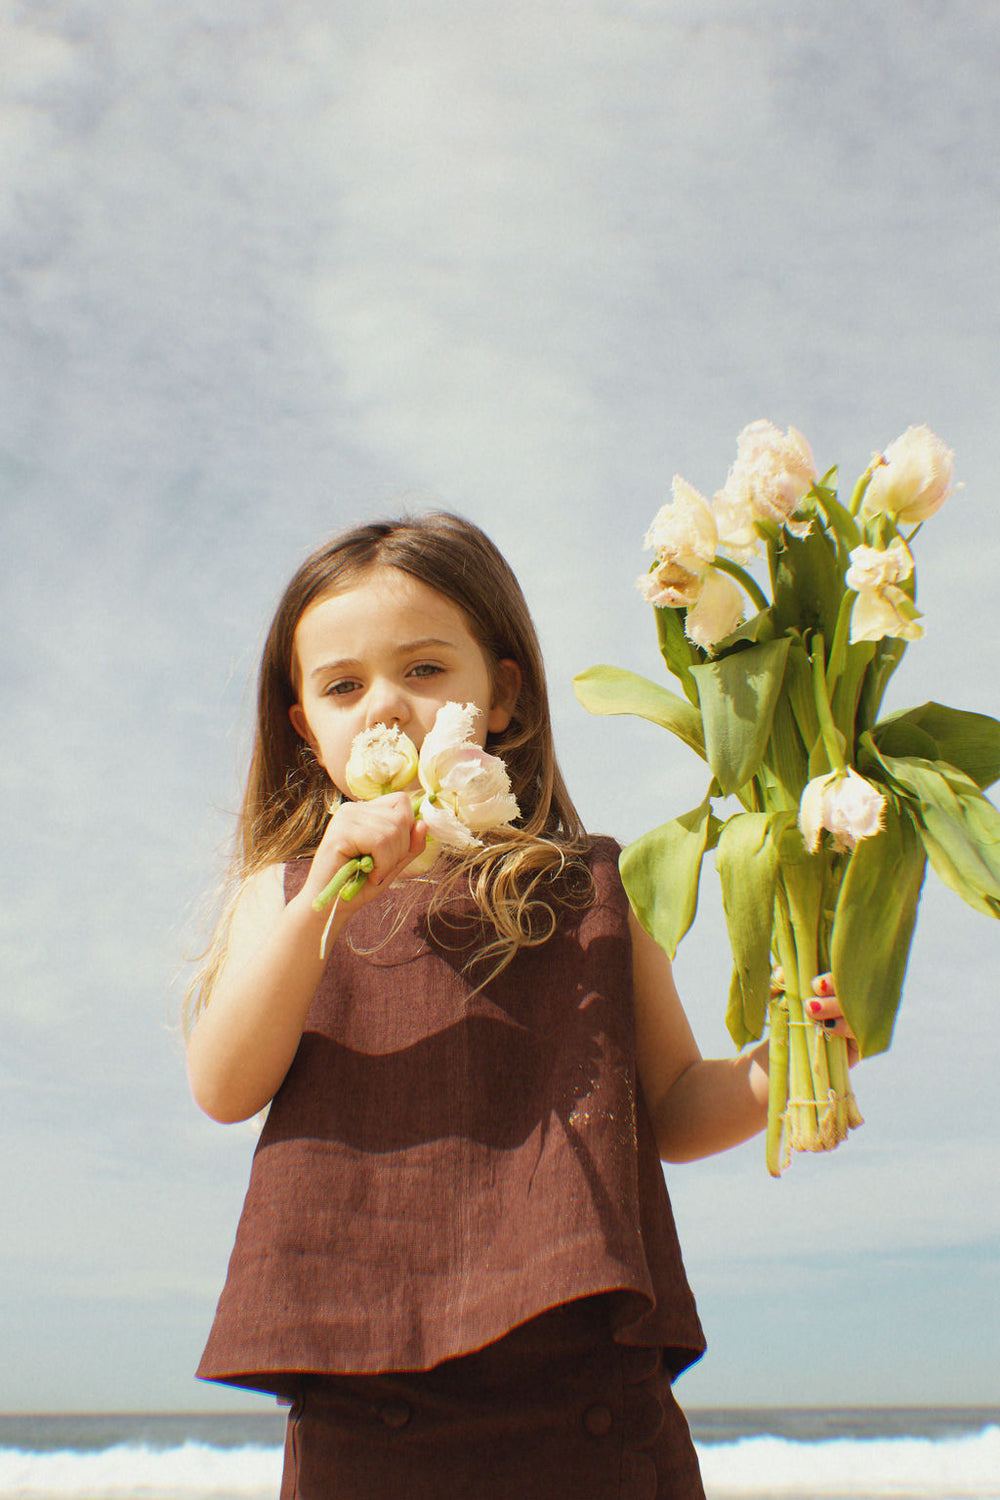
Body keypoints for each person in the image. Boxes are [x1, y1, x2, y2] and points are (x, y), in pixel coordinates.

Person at [185, 512, 852, 1500]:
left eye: (423, 671)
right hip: (365, 1406)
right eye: (341, 686)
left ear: (500, 694)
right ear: (302, 727)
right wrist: (325, 895)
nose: (384, 708)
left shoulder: (591, 887)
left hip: (585, 1399)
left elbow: (666, 1105)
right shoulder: (284, 894)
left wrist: (782, 1066)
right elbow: (223, 1085)